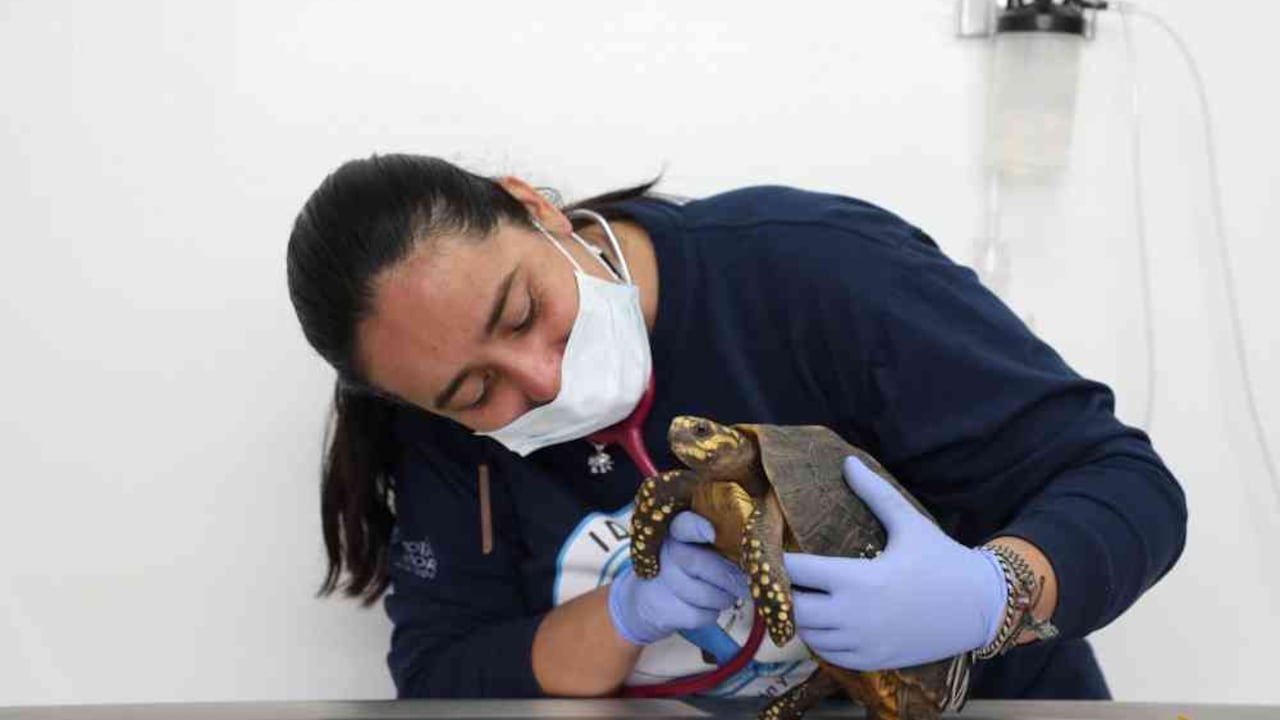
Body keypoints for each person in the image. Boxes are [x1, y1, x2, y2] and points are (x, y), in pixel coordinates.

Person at [284, 154, 1187, 702]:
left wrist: (992, 595)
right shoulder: (448, 439)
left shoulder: (812, 269)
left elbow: (1125, 485)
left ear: (535, 208)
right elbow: (445, 677)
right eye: (473, 390)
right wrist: (625, 614)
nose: (542, 380)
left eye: (523, 312)